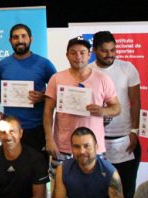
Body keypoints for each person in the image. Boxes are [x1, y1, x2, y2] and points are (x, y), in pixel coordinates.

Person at [43, 37, 120, 168]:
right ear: (67, 55)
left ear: (89, 55)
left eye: (82, 52)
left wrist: (102, 111)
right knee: (60, 180)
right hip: (63, 147)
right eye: (73, 53)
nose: (78, 57)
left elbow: (117, 108)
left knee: (95, 181)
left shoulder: (103, 79)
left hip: (94, 148)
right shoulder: (56, 79)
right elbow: (47, 111)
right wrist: (49, 139)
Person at [89, 31, 141, 198]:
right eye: (104, 51)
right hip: (98, 140)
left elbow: (135, 102)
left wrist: (134, 131)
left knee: (127, 189)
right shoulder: (88, 71)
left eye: (113, 50)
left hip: (124, 138)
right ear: (94, 50)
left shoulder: (127, 68)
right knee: (101, 190)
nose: (110, 54)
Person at [0, 23, 57, 156]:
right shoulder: (2, 65)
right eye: (15, 37)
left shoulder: (44, 64)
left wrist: (43, 97)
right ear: (10, 40)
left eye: (23, 36)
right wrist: (8, 99)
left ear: (31, 39)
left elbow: (58, 92)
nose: (20, 40)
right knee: (12, 166)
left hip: (37, 129)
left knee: (38, 166)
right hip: (11, 130)